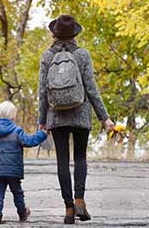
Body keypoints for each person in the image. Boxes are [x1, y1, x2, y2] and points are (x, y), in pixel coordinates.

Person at [38, 15, 115, 224]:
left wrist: (42, 120)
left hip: (56, 115)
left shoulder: (47, 56)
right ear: (74, 35)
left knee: (62, 160)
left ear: (54, 34)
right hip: (80, 113)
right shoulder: (82, 55)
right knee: (80, 157)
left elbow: (42, 92)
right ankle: (79, 198)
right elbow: (91, 89)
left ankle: (69, 209)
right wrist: (104, 118)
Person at [0, 101, 47, 224]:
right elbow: (29, 141)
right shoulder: (17, 131)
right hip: (13, 170)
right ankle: (22, 213)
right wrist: (42, 134)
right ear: (13, 116)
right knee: (17, 192)